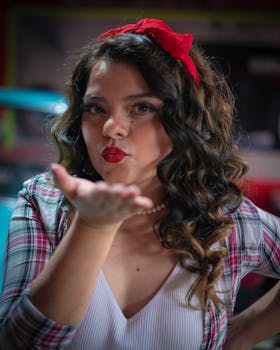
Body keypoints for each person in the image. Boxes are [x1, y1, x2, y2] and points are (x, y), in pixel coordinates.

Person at [0, 17, 279, 350]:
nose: (111, 128)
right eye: (95, 108)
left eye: (142, 107)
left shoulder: (224, 219)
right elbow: (19, 343)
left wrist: (242, 334)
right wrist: (92, 227)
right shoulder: (43, 202)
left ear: (184, 120)